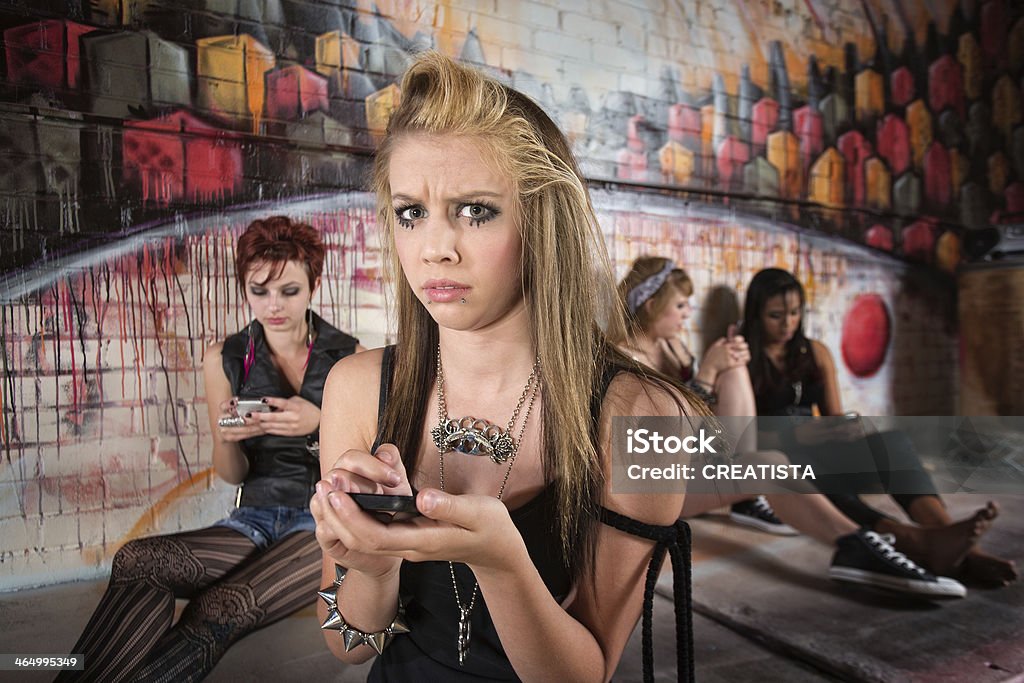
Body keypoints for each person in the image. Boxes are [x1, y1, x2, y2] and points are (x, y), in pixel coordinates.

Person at [310, 52, 700, 682]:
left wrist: (500, 561)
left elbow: (586, 674)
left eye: (475, 210)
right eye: (411, 212)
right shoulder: (357, 388)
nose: (435, 248)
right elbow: (348, 646)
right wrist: (373, 567)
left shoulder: (641, 416)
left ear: (541, 221)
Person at [57, 216, 362, 682]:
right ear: (244, 288)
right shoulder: (223, 357)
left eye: (288, 291)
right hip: (254, 516)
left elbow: (361, 466)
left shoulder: (349, 357)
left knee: (223, 606)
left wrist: (319, 421)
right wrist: (225, 437)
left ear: (313, 285)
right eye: (259, 291)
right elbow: (232, 476)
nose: (273, 305)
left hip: (321, 519)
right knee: (138, 559)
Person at [615, 256, 967, 597]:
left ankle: (855, 544)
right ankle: (860, 544)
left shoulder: (672, 348)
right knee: (773, 463)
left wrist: (721, 367)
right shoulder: (625, 358)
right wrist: (705, 374)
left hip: (698, 466)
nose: (687, 314)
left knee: (742, 386)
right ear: (650, 306)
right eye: (680, 306)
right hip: (654, 486)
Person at [745, 267, 1018, 587]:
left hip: (820, 445)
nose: (788, 323)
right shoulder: (743, 358)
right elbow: (739, 436)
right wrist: (796, 434)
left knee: (892, 443)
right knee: (818, 477)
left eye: (794, 313)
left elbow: (834, 415)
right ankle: (917, 542)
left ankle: (950, 536)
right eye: (776, 315)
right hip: (780, 457)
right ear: (756, 314)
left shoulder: (814, 352)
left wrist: (843, 428)